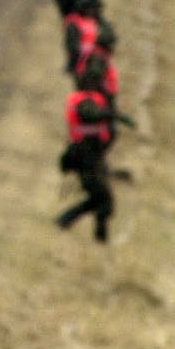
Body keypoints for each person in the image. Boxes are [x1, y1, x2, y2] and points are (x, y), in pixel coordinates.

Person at [56, 68, 117, 243]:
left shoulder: (91, 99)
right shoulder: (84, 101)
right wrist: (108, 114)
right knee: (102, 198)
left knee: (101, 198)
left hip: (92, 154)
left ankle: (67, 221)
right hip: (85, 156)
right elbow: (89, 114)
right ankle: (68, 222)